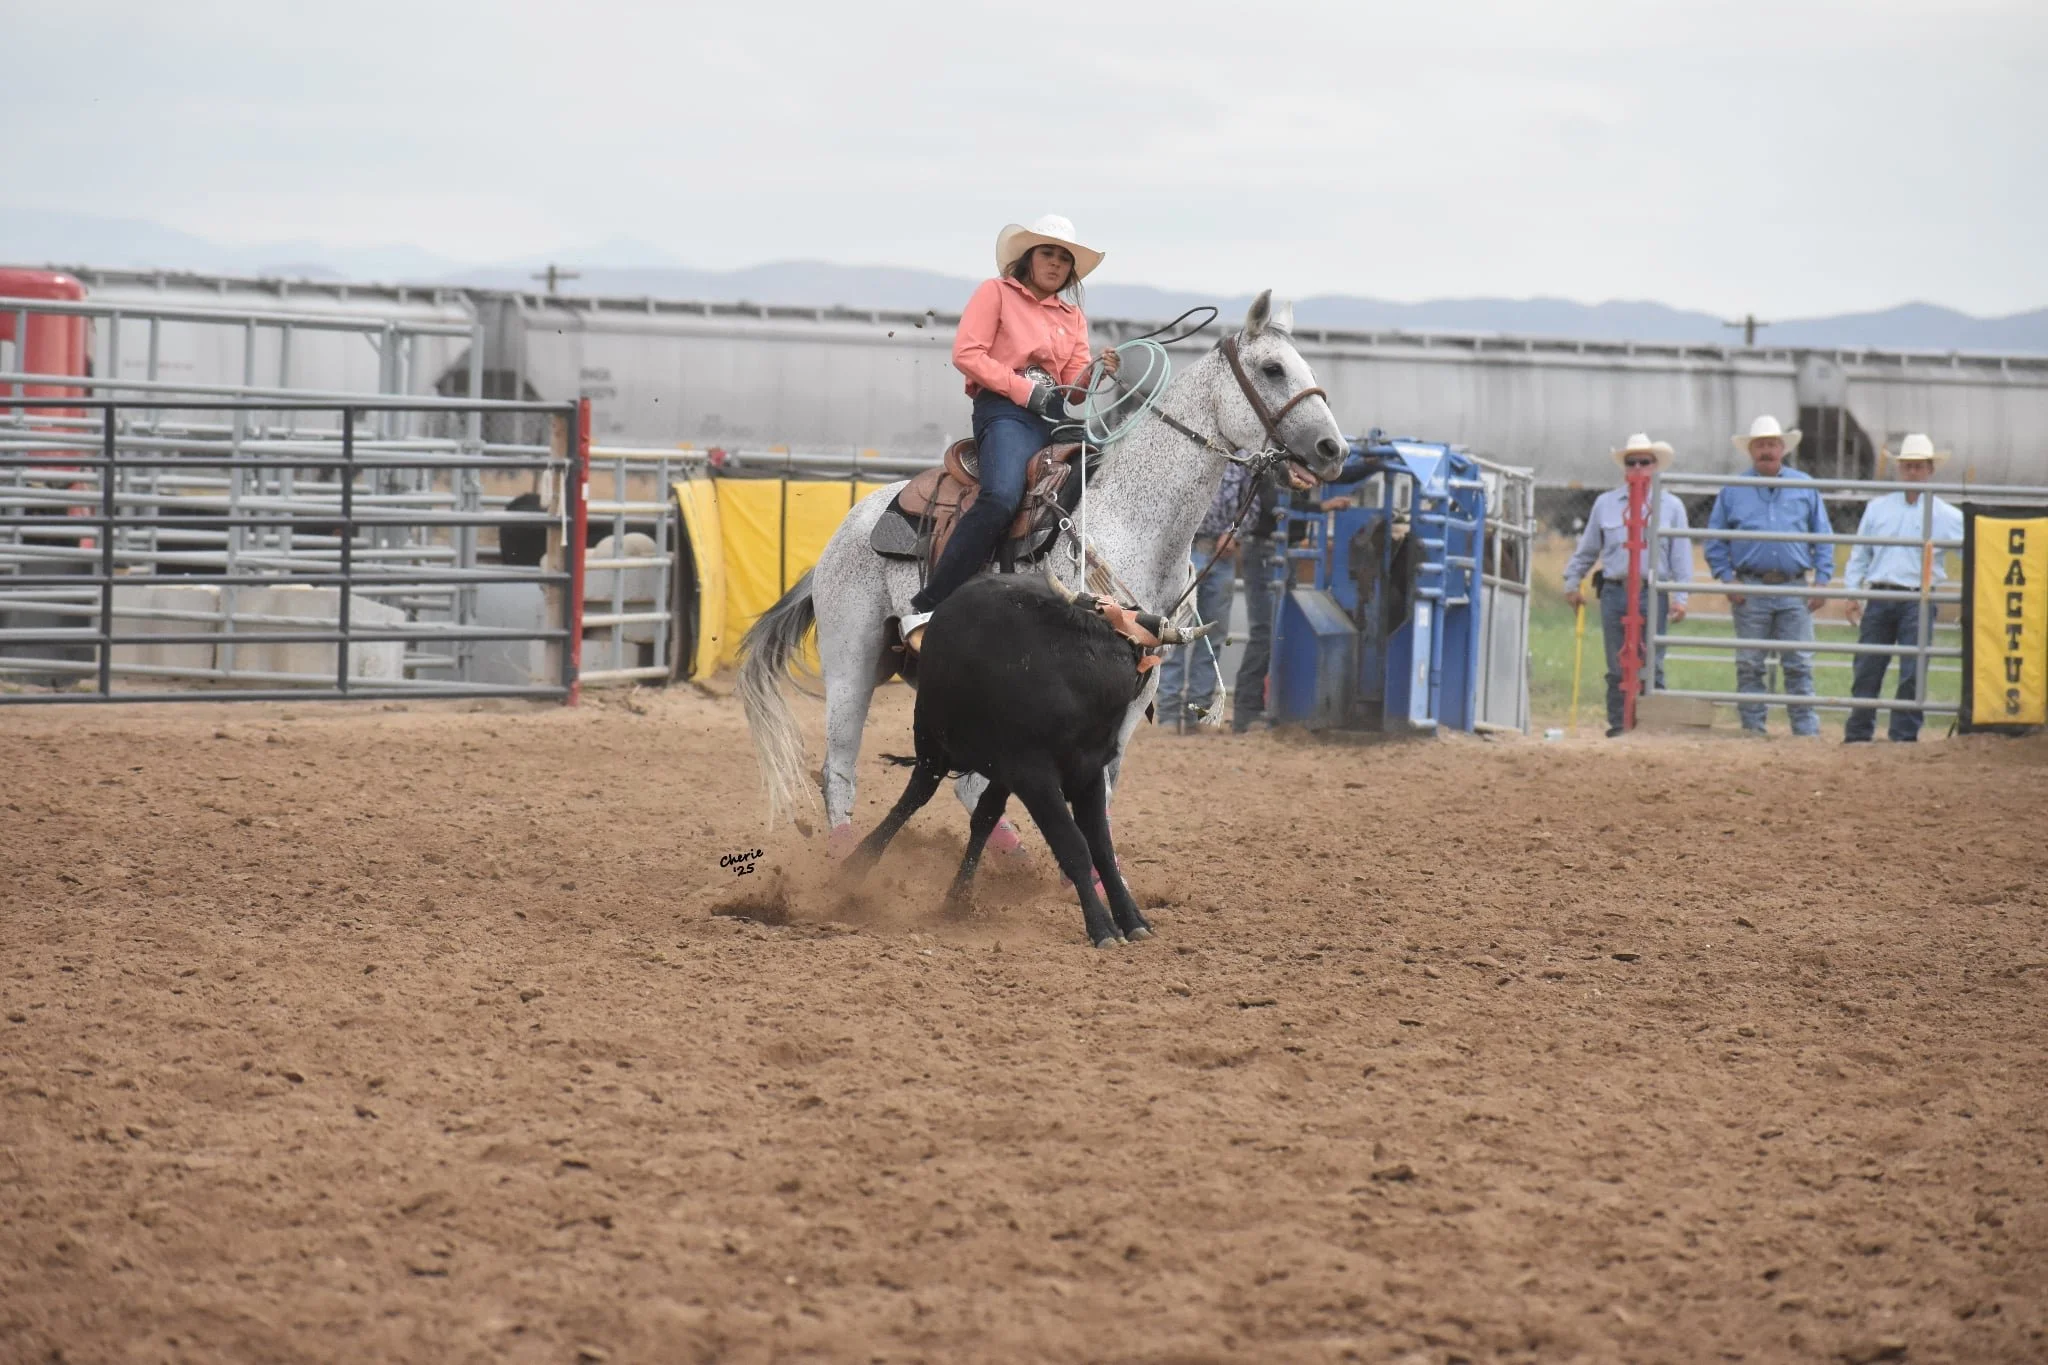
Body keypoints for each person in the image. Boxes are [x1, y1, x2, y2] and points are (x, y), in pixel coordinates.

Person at [898, 215, 1117, 648]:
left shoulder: (1072, 316)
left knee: (1104, 481)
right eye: (1047, 254)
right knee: (1000, 497)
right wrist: (1025, 391)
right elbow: (967, 354)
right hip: (1004, 412)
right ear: (1028, 258)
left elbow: (1073, 389)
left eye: (1063, 259)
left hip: (1054, 419)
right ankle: (928, 605)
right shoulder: (995, 293)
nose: (1055, 264)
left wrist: (1096, 372)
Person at [1705, 415, 1835, 737]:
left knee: (1799, 663)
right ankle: (1753, 729)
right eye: (1760, 445)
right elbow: (1714, 539)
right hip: (1751, 585)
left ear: (1782, 448)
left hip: (1794, 586)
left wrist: (1822, 580)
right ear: (1751, 450)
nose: (1766, 450)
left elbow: (1823, 536)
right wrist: (1727, 578)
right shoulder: (1733, 490)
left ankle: (1805, 731)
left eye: (1772, 444)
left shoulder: (1804, 486)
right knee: (1750, 663)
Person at [1562, 433, 1694, 737]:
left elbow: (1681, 556)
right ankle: (1619, 726)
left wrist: (1681, 597)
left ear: (1655, 466)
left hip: (1653, 591)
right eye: (1631, 462)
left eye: (1644, 462)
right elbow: (1588, 549)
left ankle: (1652, 727)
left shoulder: (1672, 507)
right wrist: (1572, 581)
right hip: (1614, 590)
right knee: (1617, 663)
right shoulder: (1605, 504)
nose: (1637, 468)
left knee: (1652, 662)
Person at [1841, 433, 1963, 743]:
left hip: (1918, 597)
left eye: (1918, 466)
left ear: (1929, 470)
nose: (1912, 471)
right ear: (1900, 469)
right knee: (1867, 667)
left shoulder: (1946, 515)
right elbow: (1861, 552)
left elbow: (1971, 553)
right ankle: (1859, 732)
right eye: (1908, 466)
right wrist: (1853, 592)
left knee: (1913, 670)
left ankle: (1903, 736)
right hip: (1880, 594)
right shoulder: (1878, 508)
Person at [1155, 462, 1257, 731]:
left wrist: (1234, 533)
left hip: (1219, 554)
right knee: (1174, 633)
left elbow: (1251, 503)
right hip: (1182, 552)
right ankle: (1168, 713)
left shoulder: (1243, 462)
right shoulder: (1188, 455)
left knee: (1211, 636)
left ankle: (1196, 714)